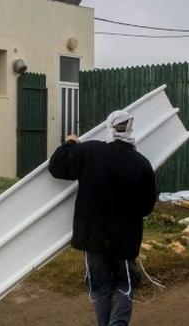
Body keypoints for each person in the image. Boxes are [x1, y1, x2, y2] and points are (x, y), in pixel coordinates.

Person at [48, 110, 157, 326]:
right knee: (124, 285)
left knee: (100, 287)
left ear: (109, 127)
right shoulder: (141, 164)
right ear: (130, 128)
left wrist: (70, 143)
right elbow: (146, 206)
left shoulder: (90, 151)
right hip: (125, 240)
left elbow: (57, 166)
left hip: (93, 236)